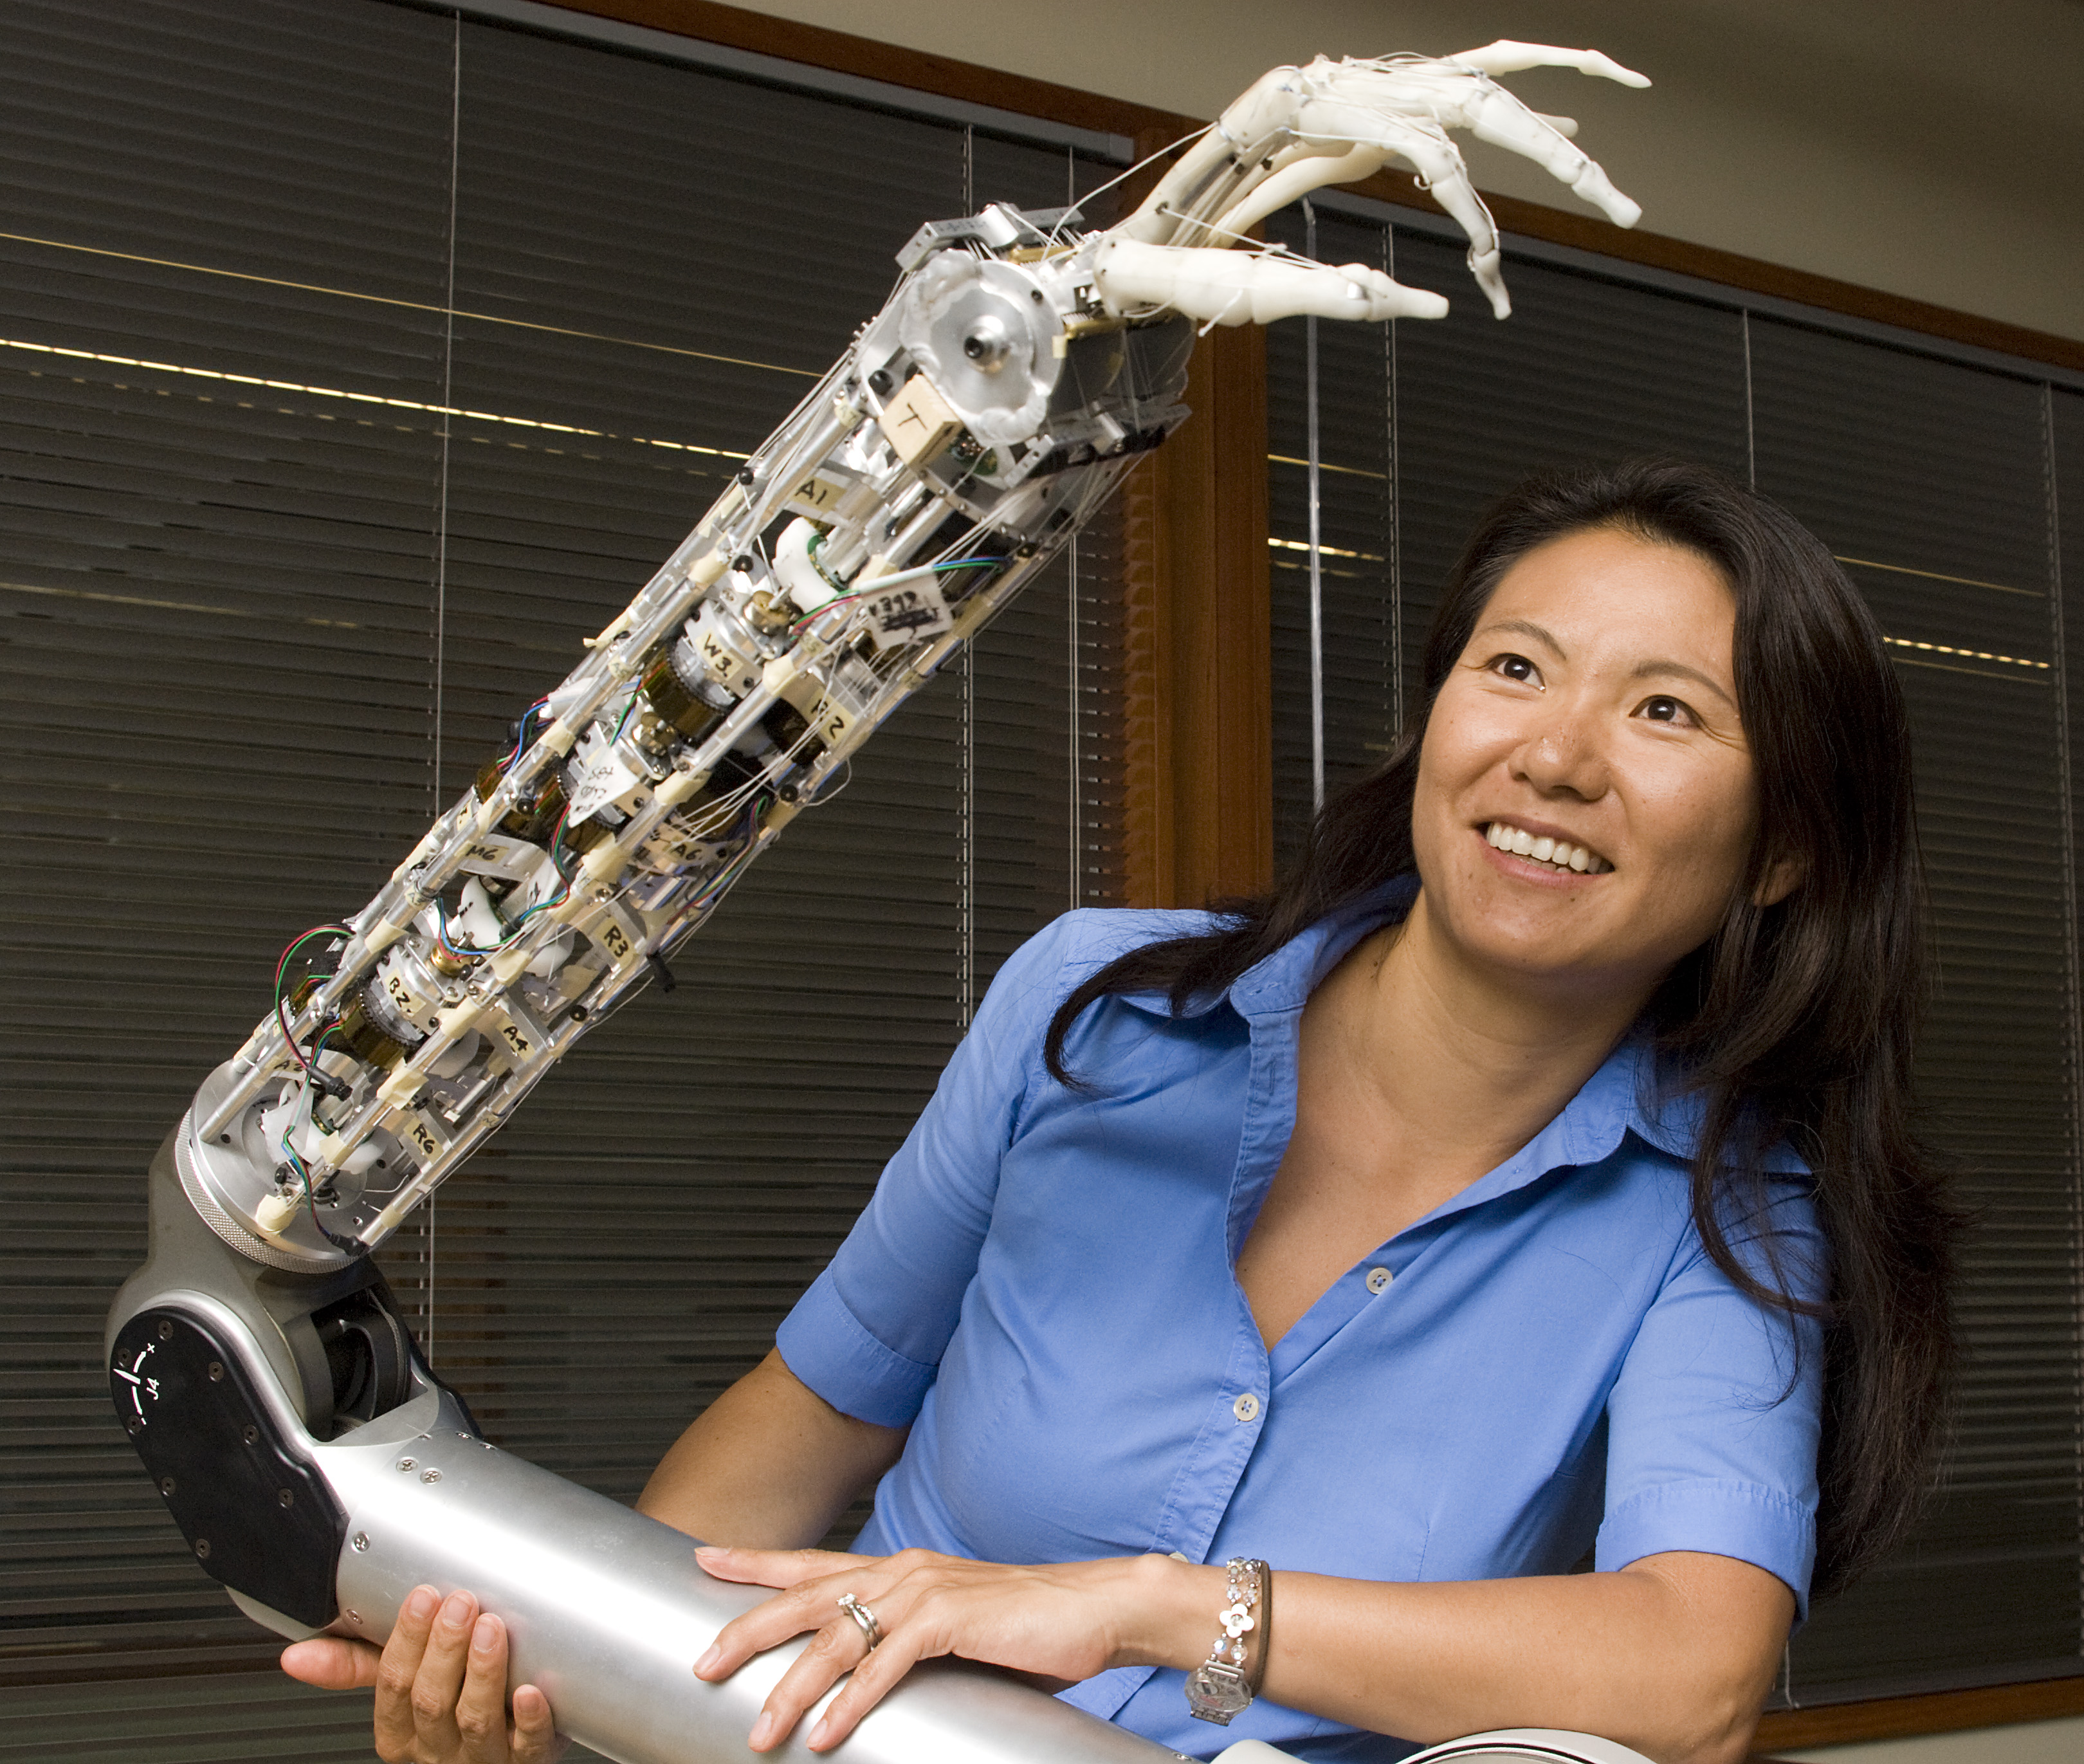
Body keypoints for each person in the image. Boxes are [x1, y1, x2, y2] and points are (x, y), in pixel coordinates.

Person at [283, 460, 1959, 1764]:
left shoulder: (1724, 1212)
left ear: (1783, 850)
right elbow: (802, 1430)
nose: (1558, 755)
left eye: (1666, 711)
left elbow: (1690, 1675)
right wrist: (576, 1684)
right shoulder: (1098, 1008)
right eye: (1515, 668)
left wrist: (1151, 1610)